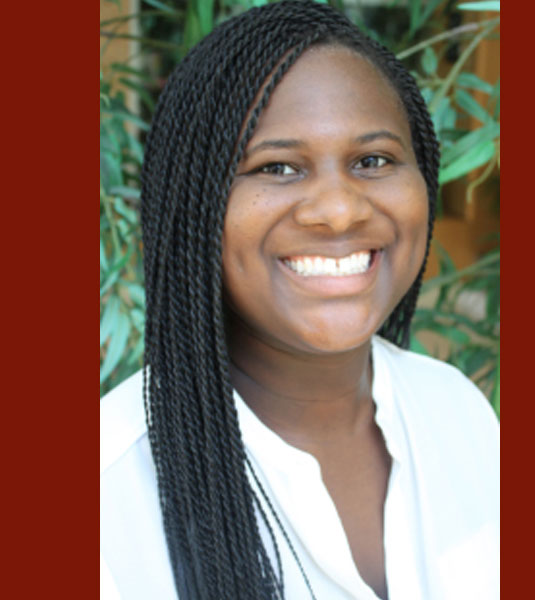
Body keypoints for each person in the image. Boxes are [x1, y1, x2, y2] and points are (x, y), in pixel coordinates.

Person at [100, 1, 499, 599]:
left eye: (373, 160)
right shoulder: (108, 491)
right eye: (278, 167)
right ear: (195, 205)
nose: (339, 209)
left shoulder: (456, 411)